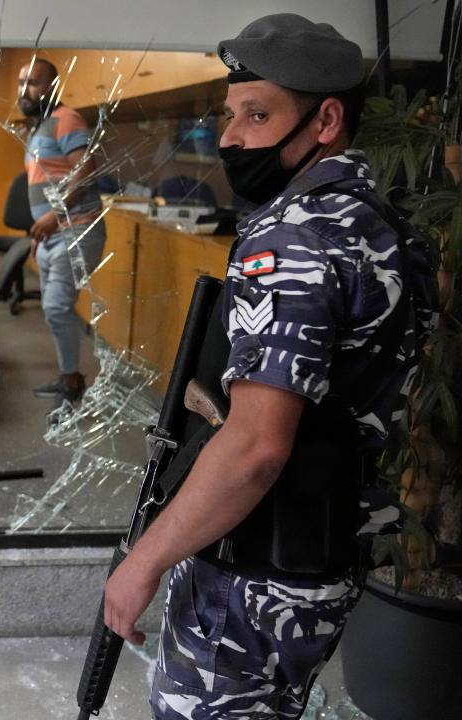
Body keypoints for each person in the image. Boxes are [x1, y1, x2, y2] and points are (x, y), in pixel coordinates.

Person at [102, 13, 437, 719]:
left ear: (325, 121)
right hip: (320, 551)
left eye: (257, 116)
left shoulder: (296, 237)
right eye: (230, 115)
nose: (230, 138)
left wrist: (144, 561)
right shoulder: (378, 224)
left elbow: (256, 446)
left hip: (254, 563)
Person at [19, 58, 106, 405]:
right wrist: (42, 231)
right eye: (22, 82)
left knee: (56, 308)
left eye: (34, 82)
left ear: (52, 87)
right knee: (53, 309)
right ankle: (68, 377)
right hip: (52, 235)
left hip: (76, 230)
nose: (25, 90)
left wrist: (53, 218)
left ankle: (72, 385)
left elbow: (86, 171)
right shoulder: (38, 129)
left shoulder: (65, 119)